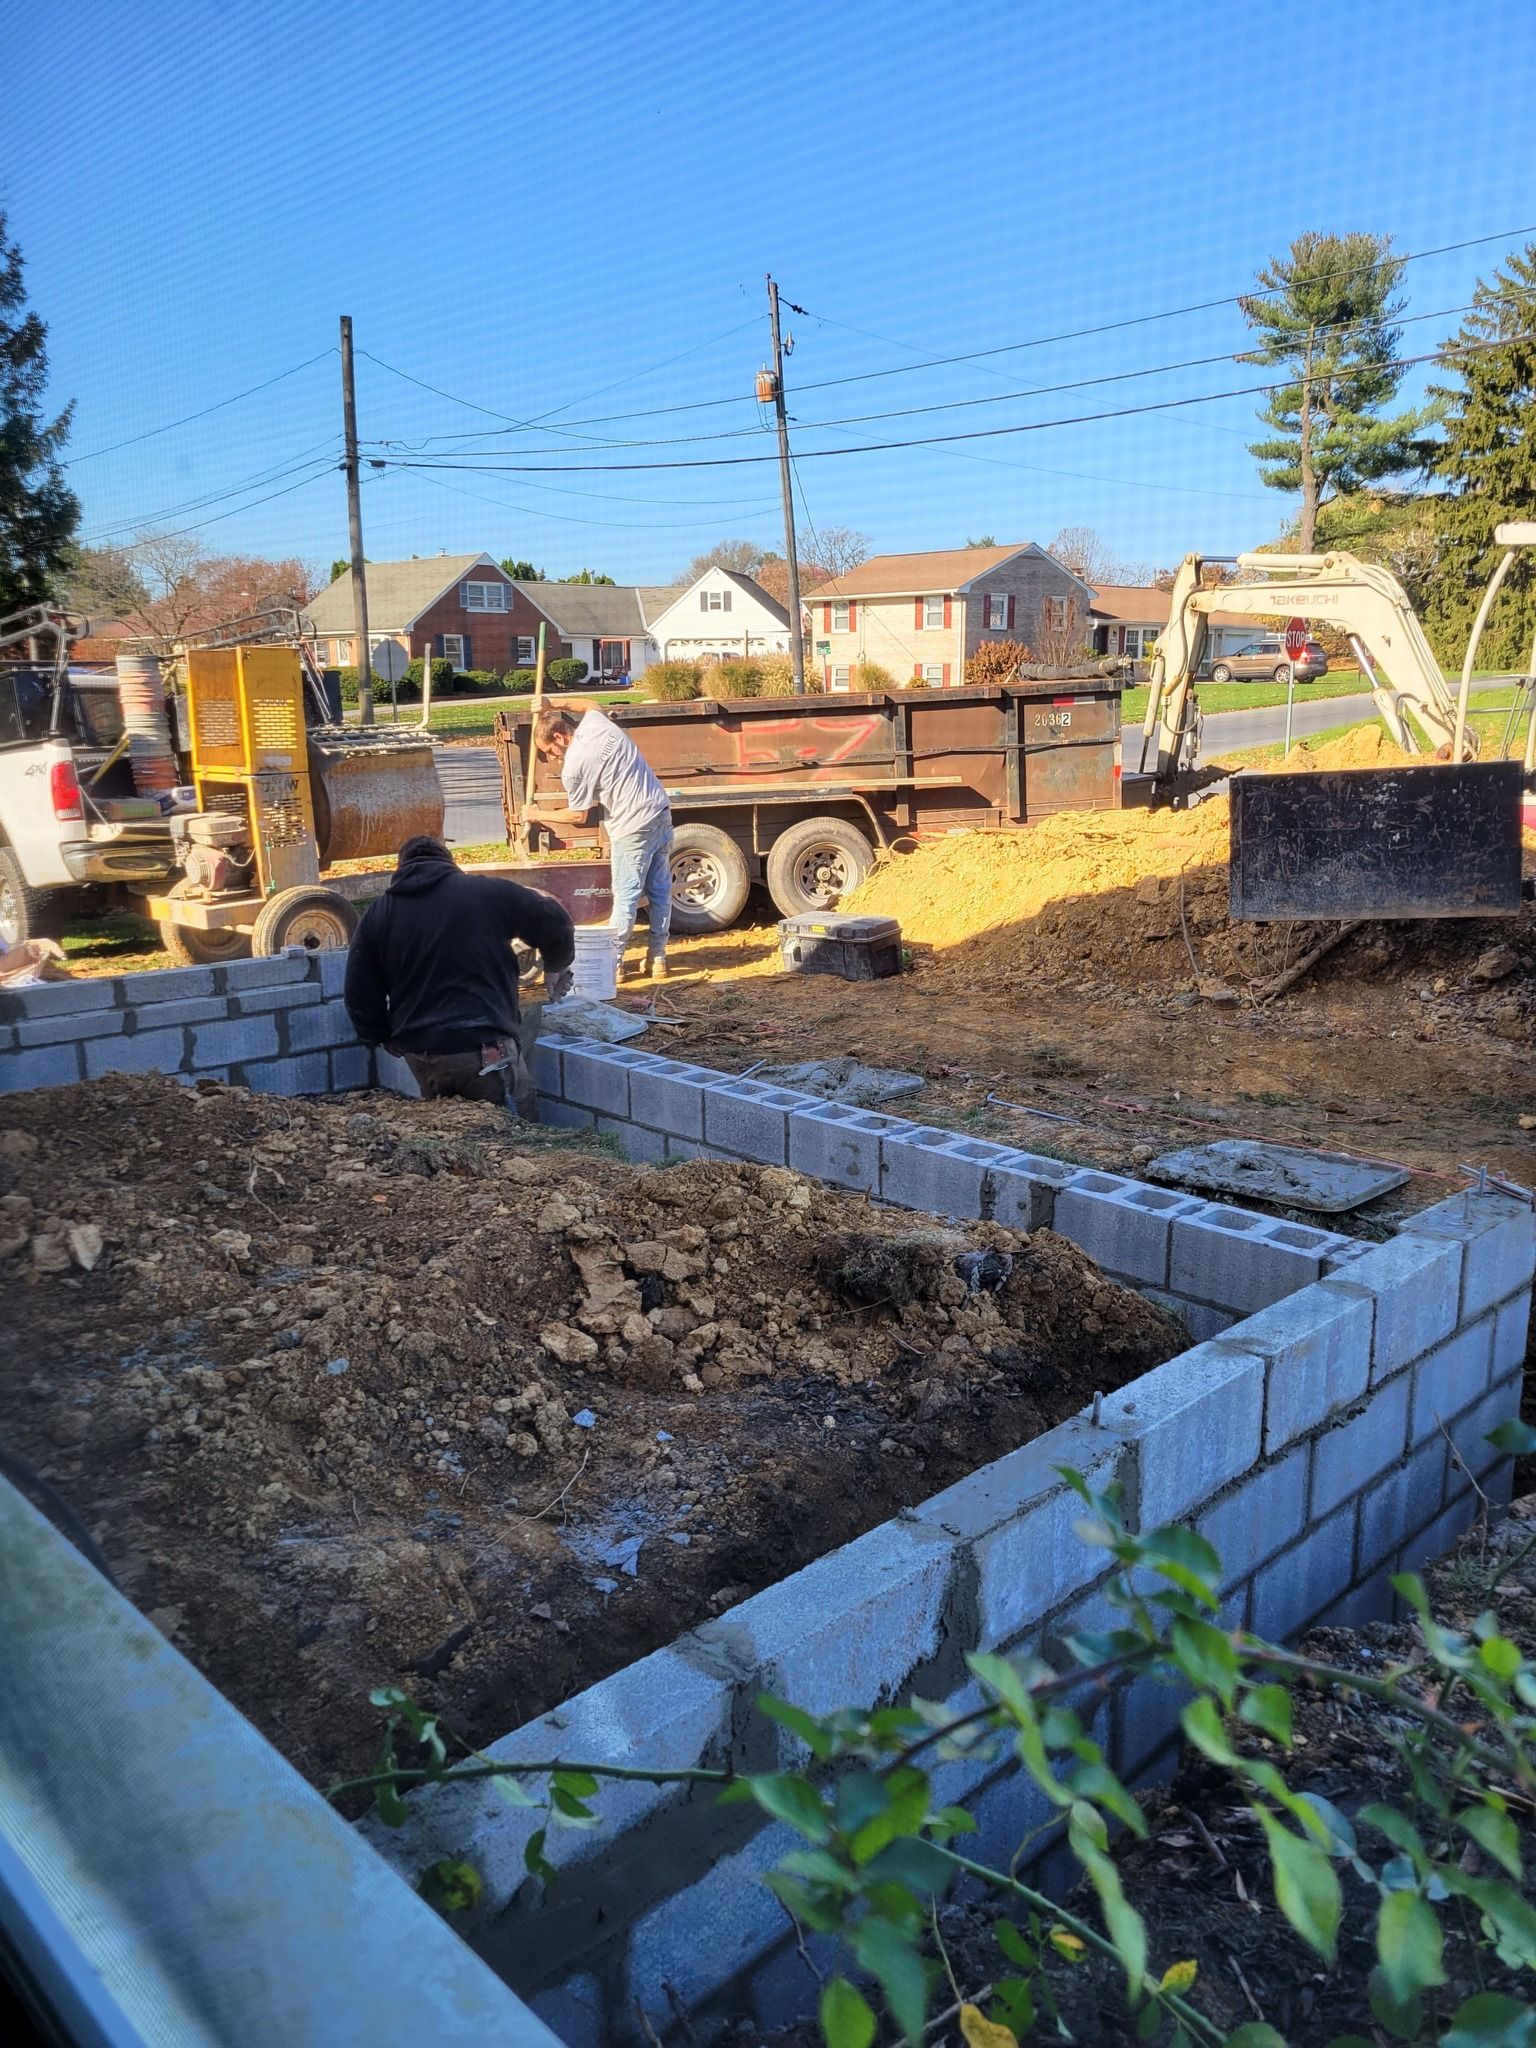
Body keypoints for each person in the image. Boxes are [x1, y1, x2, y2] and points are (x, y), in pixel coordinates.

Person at [343, 835, 575, 1111]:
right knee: (515, 1136)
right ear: (448, 861)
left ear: (400, 868)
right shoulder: (485, 893)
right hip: (482, 1048)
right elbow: (554, 920)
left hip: (421, 1054)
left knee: (457, 1137)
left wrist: (380, 1034)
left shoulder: (379, 914)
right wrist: (555, 965)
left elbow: (359, 989)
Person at [529, 703, 673, 980]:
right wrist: (553, 705)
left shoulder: (573, 766)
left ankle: (614, 964)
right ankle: (658, 958)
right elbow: (589, 704)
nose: (553, 758)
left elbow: (578, 814)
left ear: (560, 737)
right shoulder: (596, 724)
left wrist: (537, 814)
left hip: (631, 826)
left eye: (550, 751)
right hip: (660, 812)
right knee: (660, 893)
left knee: (626, 898)